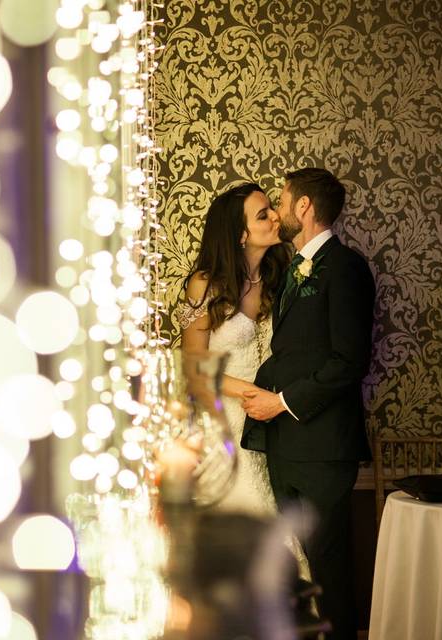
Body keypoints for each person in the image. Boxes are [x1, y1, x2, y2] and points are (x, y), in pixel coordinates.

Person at [241, 167, 375, 640]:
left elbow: (348, 361)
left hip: (323, 449)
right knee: (302, 567)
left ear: (304, 207)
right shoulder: (294, 270)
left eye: (282, 199)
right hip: (286, 447)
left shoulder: (346, 267)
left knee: (330, 568)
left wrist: (280, 403)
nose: (277, 210)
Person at [172, 182, 311, 579]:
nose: (273, 218)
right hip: (225, 422)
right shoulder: (205, 284)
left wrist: (276, 402)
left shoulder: (279, 276)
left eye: (271, 208)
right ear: (241, 233)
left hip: (272, 421)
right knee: (245, 519)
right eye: (262, 214)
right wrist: (254, 395)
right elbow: (193, 365)